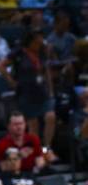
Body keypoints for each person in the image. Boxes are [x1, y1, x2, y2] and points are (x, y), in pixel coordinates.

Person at [9, 30, 56, 158]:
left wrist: (51, 90)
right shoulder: (19, 52)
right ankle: (37, 154)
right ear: (30, 41)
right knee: (33, 125)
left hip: (42, 90)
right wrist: (12, 82)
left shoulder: (42, 51)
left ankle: (46, 147)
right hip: (26, 92)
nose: (40, 41)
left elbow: (46, 70)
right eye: (37, 39)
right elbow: (1, 65)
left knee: (50, 116)